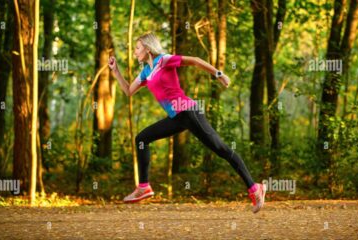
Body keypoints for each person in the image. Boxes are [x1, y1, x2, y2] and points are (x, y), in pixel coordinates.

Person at [108, 32, 266, 213]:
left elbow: (195, 61)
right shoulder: (146, 71)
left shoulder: (164, 60)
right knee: (142, 139)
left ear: (148, 48)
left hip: (189, 112)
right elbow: (129, 90)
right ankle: (144, 187)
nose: (134, 52)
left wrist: (219, 74)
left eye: (137, 48)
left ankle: (255, 188)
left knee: (220, 148)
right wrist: (115, 71)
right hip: (176, 118)